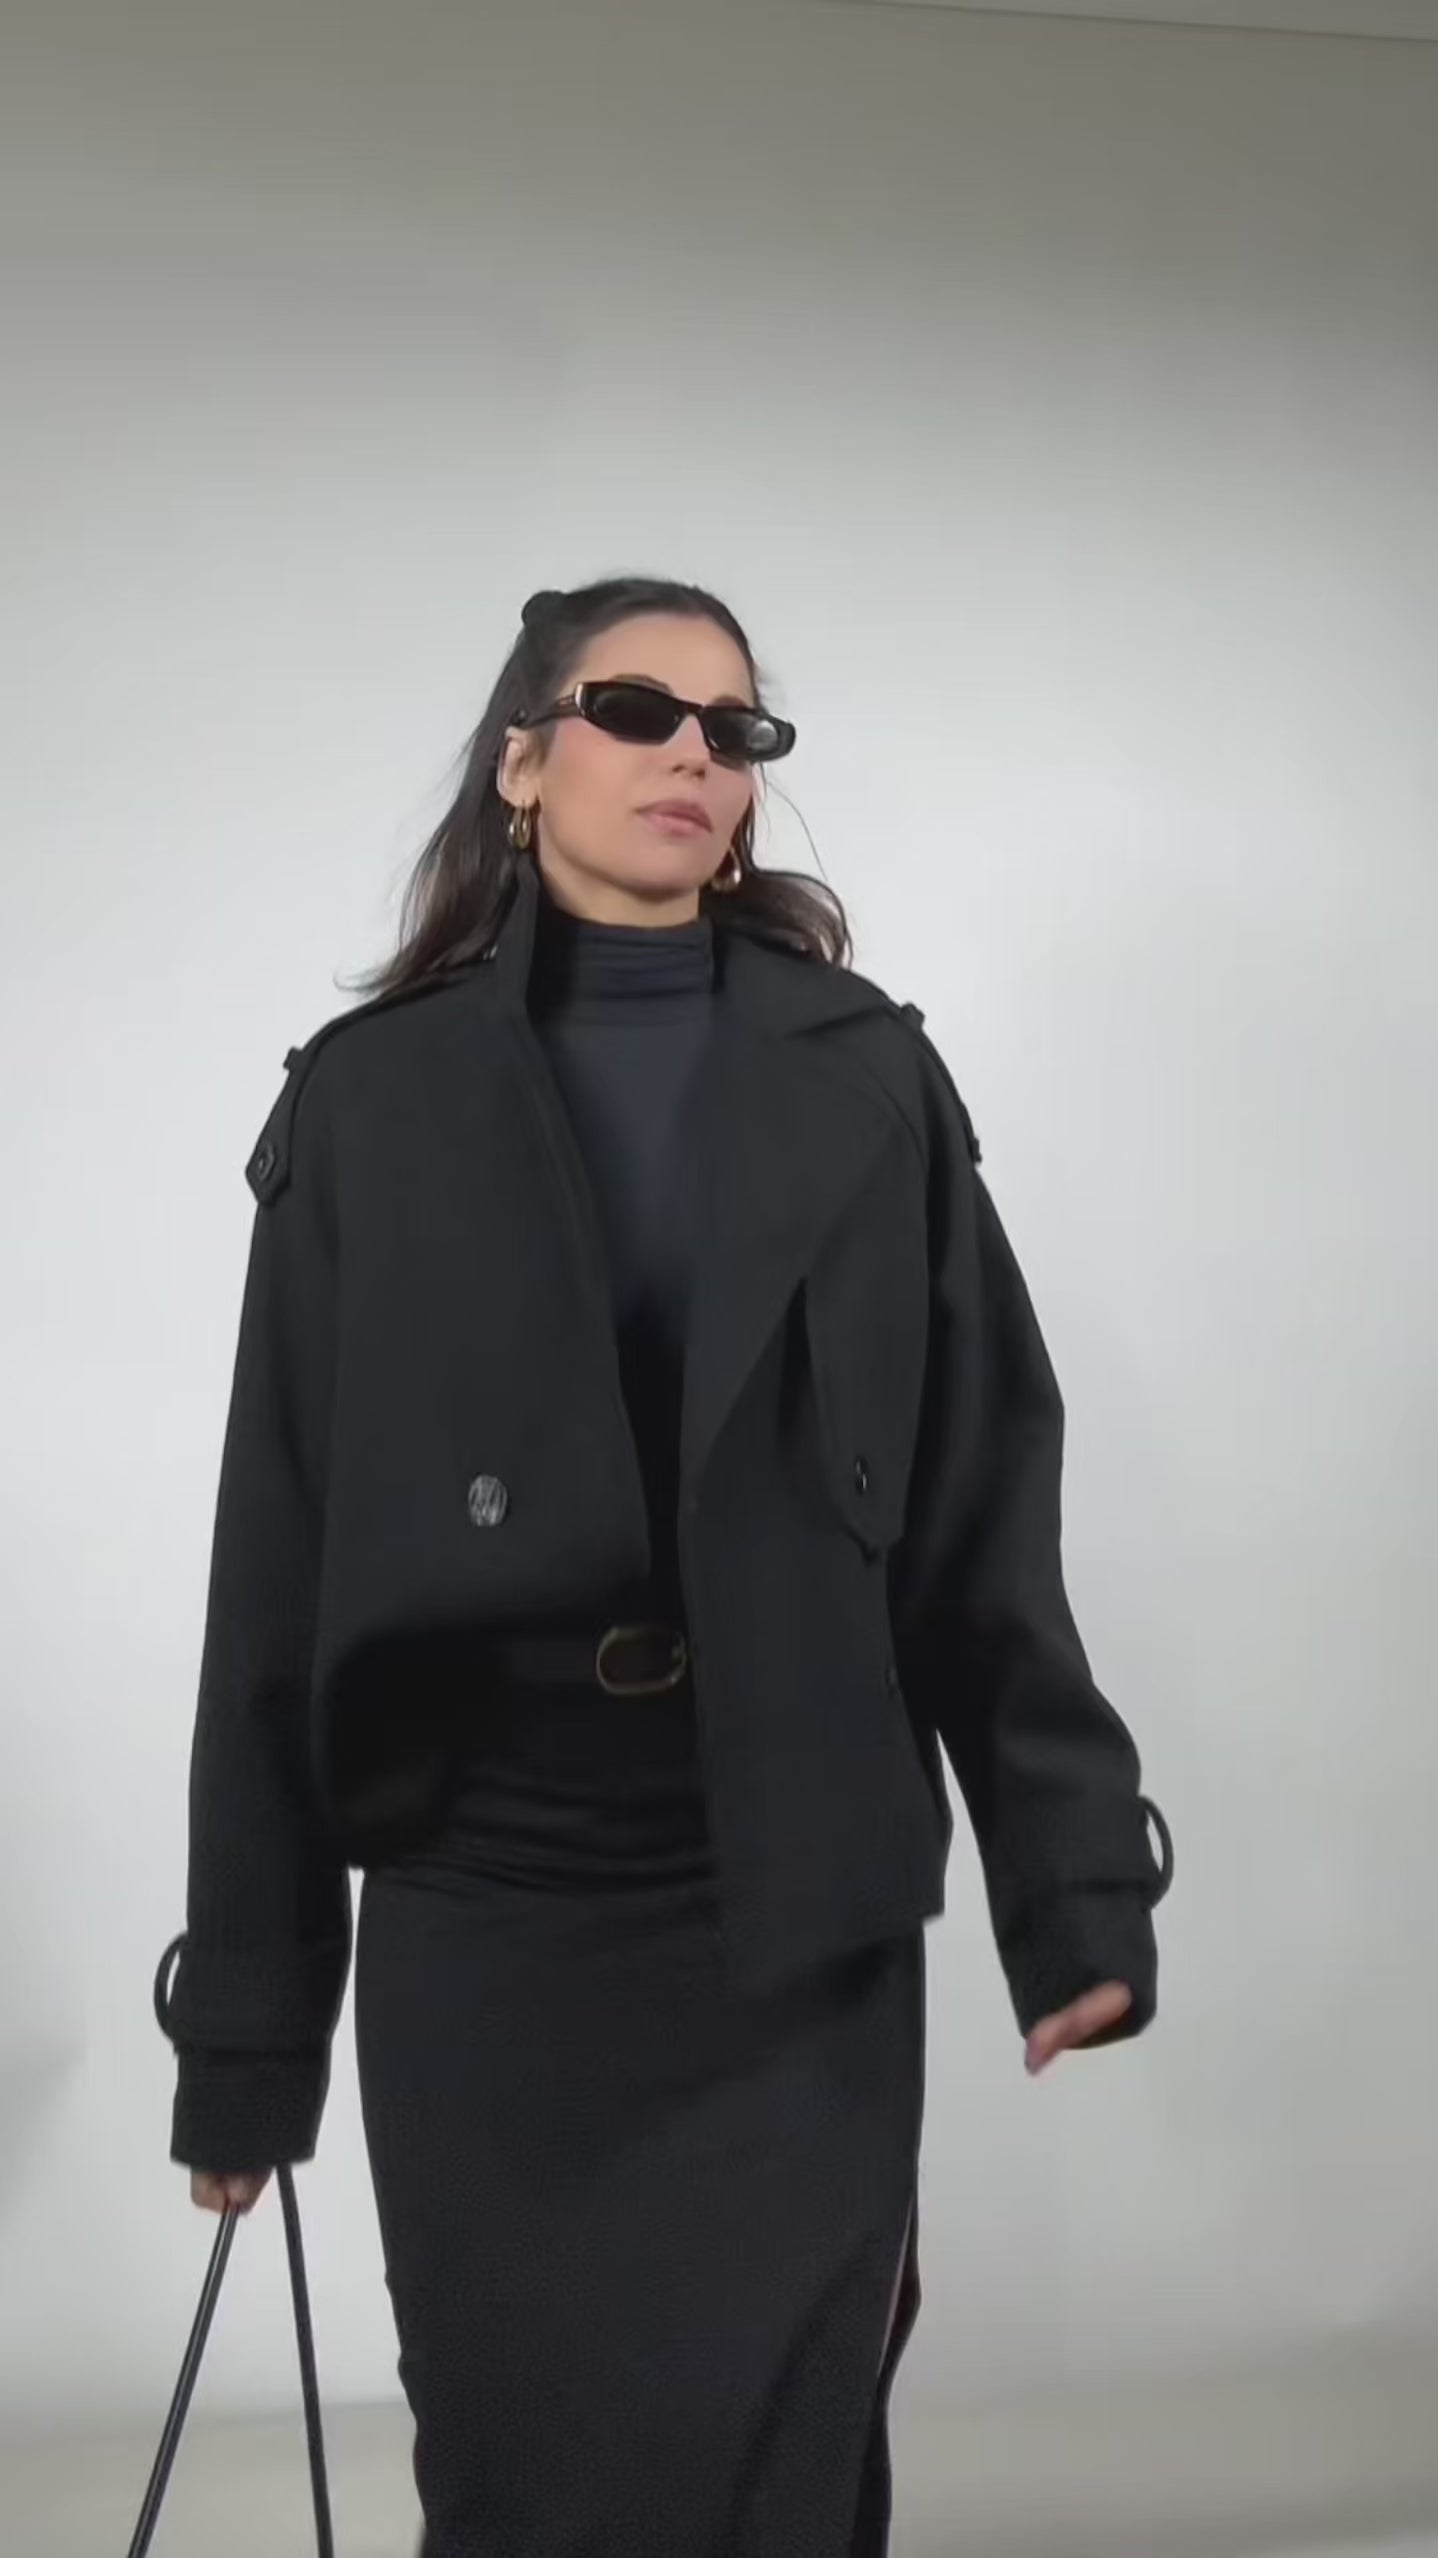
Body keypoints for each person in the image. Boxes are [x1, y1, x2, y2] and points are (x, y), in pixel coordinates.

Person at [158, 573, 1172, 2557]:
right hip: (490, 1889)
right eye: (636, 711)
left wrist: (1069, 1893)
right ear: (523, 763)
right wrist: (251, 2033)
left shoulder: (865, 1075)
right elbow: (272, 1564)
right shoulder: (367, 1104)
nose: (693, 754)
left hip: (786, 1888)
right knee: (518, 2474)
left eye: (735, 728)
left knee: (782, 2472)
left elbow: (978, 1500)